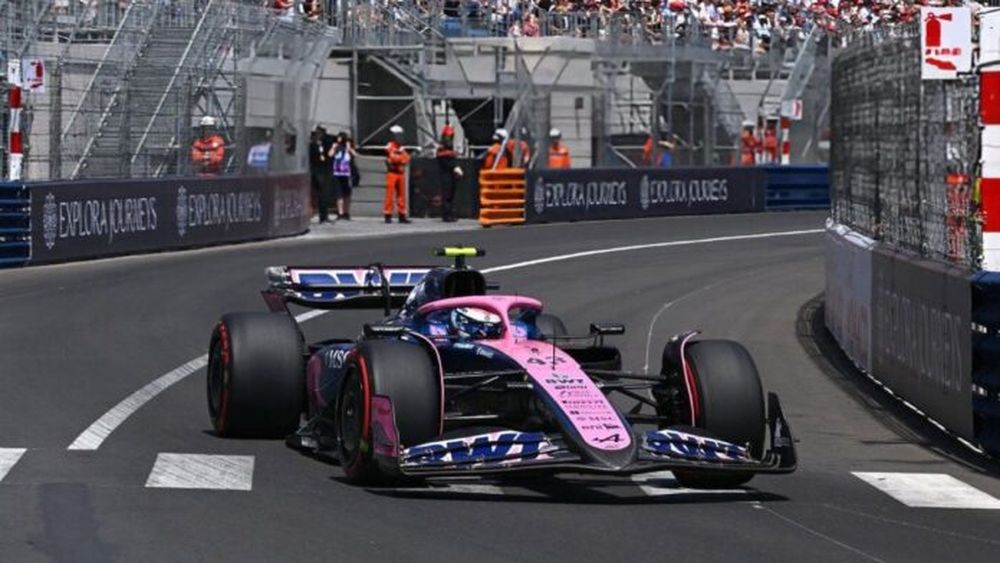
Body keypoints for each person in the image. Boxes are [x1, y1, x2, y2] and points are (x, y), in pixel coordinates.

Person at [384, 124, 411, 224]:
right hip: (392, 173)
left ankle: (402, 215)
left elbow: (407, 158)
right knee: (390, 195)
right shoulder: (389, 146)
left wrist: (399, 157)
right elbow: (393, 158)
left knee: (401, 195)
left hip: (400, 173)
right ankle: (388, 215)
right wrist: (400, 158)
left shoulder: (401, 148)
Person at [328, 131, 357, 221]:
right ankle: (340, 212)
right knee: (339, 194)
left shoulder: (347, 148)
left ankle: (346, 212)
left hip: (346, 174)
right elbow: (330, 154)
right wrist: (334, 147)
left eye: (340, 138)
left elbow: (355, 155)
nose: (338, 139)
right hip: (337, 173)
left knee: (347, 194)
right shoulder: (336, 147)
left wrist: (349, 148)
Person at [436, 124, 462, 222]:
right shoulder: (441, 149)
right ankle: (446, 215)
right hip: (445, 174)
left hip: (451, 174)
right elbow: (444, 161)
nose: (449, 139)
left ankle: (450, 213)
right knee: (446, 195)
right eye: (448, 137)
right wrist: (454, 166)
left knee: (451, 194)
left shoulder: (450, 150)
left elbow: (453, 160)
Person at [309, 125, 334, 223]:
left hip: (323, 170)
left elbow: (327, 156)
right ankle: (319, 214)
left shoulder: (326, 143)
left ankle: (323, 215)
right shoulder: (313, 144)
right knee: (319, 194)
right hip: (317, 170)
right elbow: (315, 157)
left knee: (323, 194)